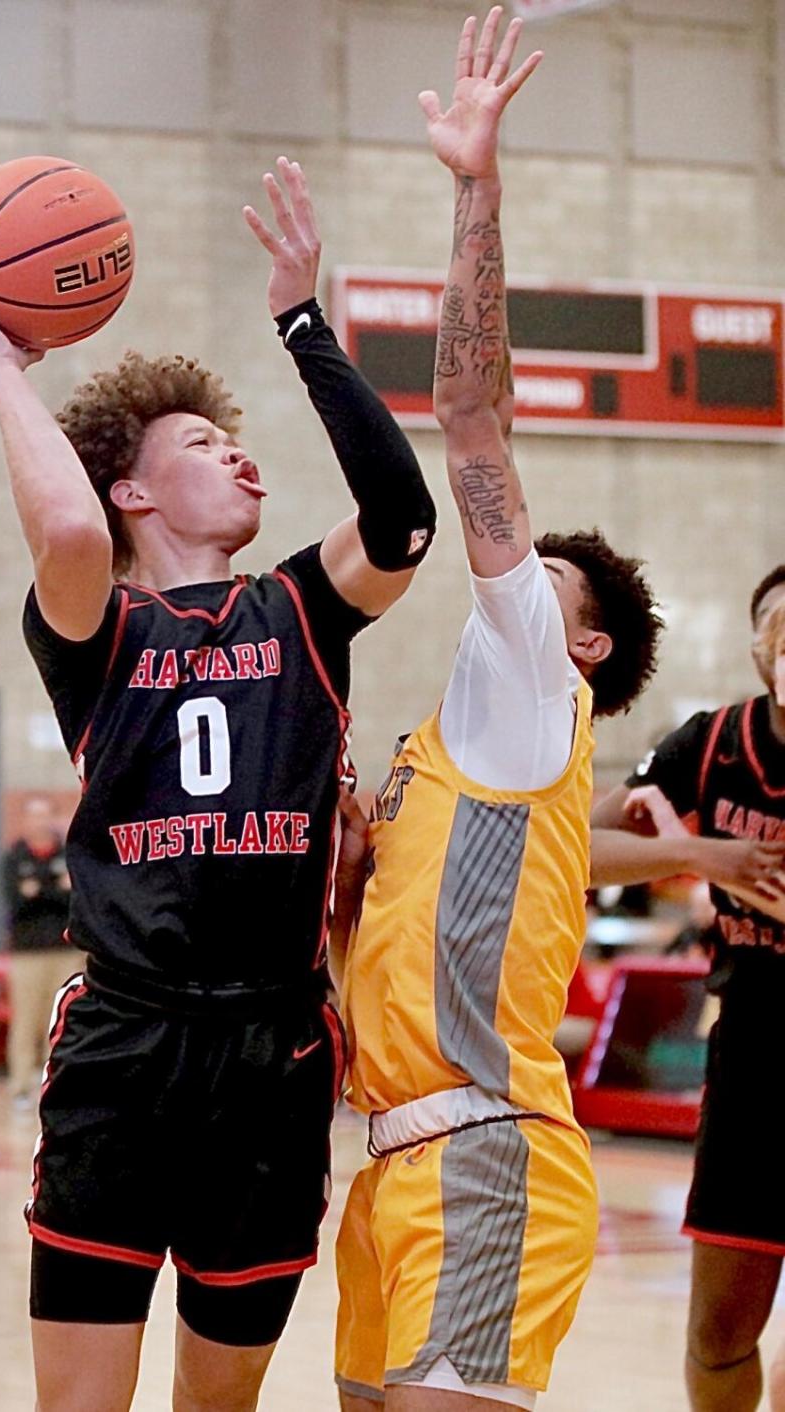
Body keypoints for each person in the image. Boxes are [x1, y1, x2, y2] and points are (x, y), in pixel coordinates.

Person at [0, 152, 435, 1412]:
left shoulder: (301, 610)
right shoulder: (99, 623)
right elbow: (62, 534)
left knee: (219, 1406)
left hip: (273, 1046)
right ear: (136, 488)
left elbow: (403, 518)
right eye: (209, 444)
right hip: (127, 1040)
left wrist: (303, 319)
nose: (245, 461)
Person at [331, 13, 663, 1410]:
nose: (511, 579)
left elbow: (470, 418)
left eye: (542, 579)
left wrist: (476, 187)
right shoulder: (439, 760)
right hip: (389, 1163)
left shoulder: (535, 681)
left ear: (578, 643)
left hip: (489, 1152)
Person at [592, 564, 785, 1412]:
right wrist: (700, 854)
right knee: (717, 1336)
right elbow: (579, 844)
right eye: (781, 620)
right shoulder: (712, 746)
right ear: (757, 647)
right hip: (754, 1060)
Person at [2, 797, 77, 1104]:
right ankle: (20, 1085)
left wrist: (39, 891)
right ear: (26, 822)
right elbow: (16, 903)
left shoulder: (67, 852)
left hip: (65, 950)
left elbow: (73, 899)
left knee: (63, 1019)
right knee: (26, 1020)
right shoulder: (13, 858)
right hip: (27, 953)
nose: (40, 823)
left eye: (45, 817)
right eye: (34, 817)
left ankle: (60, 1084)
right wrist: (55, 889)